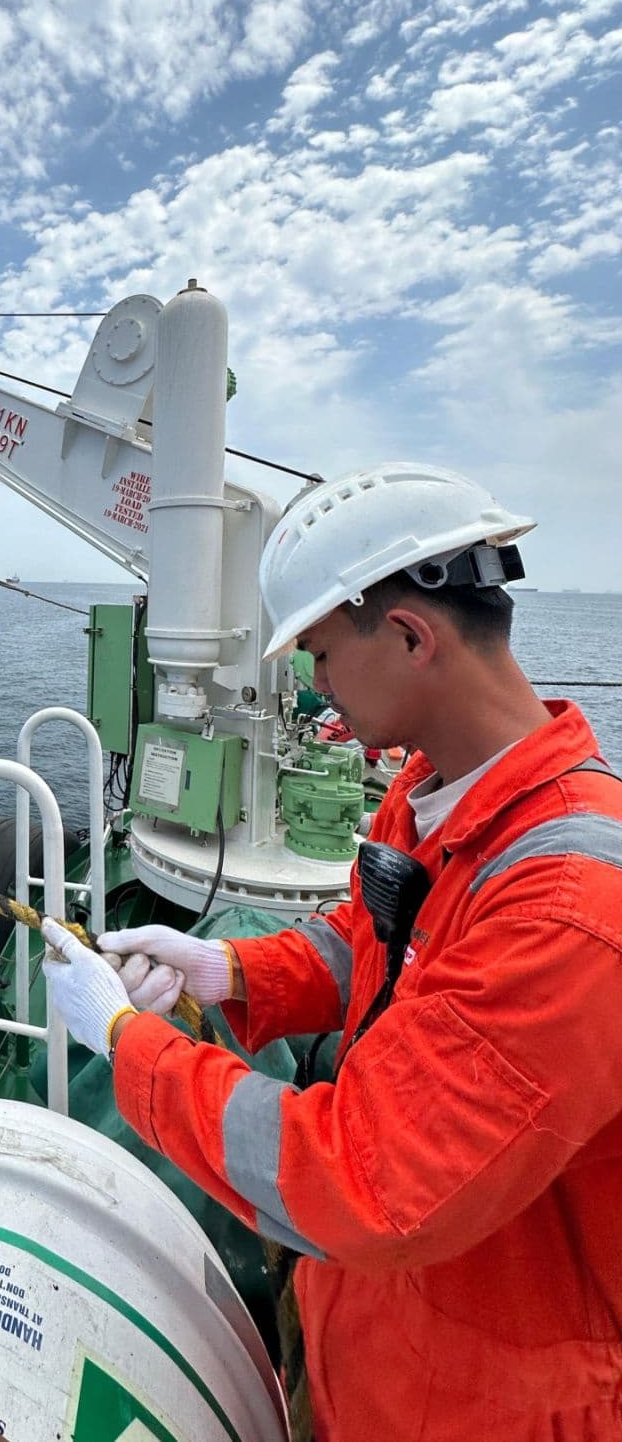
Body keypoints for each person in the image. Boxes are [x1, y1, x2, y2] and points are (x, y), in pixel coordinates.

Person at [42, 462, 622, 1442]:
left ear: (405, 635)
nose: (311, 685)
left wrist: (126, 1042)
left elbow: (362, 1178)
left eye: (316, 652)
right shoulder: (431, 794)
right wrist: (224, 971)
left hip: (482, 1409)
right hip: (373, 1343)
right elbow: (365, 950)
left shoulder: (568, 913)